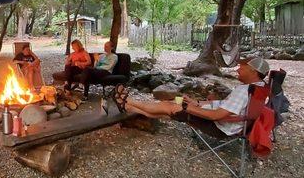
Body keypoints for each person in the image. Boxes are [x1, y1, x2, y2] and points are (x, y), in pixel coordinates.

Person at [115, 57, 270, 137]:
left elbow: (217, 115)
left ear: (253, 71)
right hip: (229, 124)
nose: (238, 70)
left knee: (169, 106)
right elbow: (226, 104)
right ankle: (127, 106)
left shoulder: (244, 91)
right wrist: (196, 102)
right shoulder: (259, 87)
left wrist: (187, 107)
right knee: (167, 108)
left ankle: (126, 100)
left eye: (242, 67)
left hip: (218, 126)